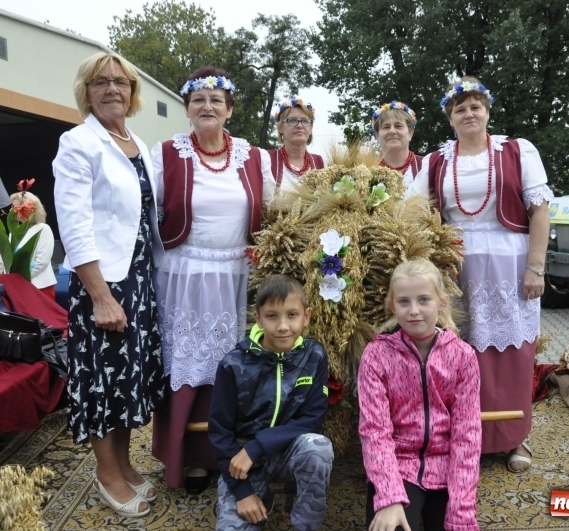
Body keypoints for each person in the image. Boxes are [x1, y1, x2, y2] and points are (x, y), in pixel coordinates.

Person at [410, 76, 553, 473]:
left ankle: (514, 437)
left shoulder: (517, 150)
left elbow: (540, 211)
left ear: (487, 111)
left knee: (511, 354)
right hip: (455, 268)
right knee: (458, 352)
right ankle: (461, 436)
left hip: (510, 264)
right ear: (450, 118)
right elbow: (413, 213)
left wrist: (536, 267)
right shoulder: (436, 161)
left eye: (476, 106)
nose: (469, 113)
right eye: (460, 109)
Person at [151, 66, 276, 494]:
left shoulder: (254, 157)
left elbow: (275, 213)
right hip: (184, 276)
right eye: (198, 100)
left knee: (232, 368)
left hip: (238, 276)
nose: (207, 106)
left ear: (230, 110)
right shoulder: (166, 154)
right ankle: (186, 458)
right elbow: (146, 214)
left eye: (216, 100)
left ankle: (230, 455)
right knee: (189, 366)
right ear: (187, 108)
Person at [52, 51, 166, 518]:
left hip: (138, 278)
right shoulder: (78, 143)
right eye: (100, 82)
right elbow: (74, 225)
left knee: (129, 377)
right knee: (103, 380)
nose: (112, 89)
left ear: (132, 92)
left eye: (121, 82)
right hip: (102, 284)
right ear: (87, 92)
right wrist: (100, 296)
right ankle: (106, 472)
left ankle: (124, 462)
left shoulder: (136, 141)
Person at [358, 258, 481, 531]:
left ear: (442, 302)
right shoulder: (376, 356)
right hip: (398, 467)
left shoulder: (463, 357)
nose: (414, 310)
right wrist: (389, 497)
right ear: (392, 306)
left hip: (447, 468)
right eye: (404, 302)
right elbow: (374, 430)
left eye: (424, 300)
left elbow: (467, 435)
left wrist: (461, 509)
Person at [209, 274, 333, 529]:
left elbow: (312, 419)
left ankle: (306, 525)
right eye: (272, 316)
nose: (283, 326)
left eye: (292, 315)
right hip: (242, 462)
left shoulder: (314, 356)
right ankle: (252, 495)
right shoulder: (234, 364)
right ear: (258, 318)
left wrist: (258, 446)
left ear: (306, 316)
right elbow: (220, 431)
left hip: (288, 451)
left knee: (318, 448)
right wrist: (242, 491)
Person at [268, 96, 325, 192]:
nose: (299, 125)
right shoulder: (267, 160)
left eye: (305, 121)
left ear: (311, 128)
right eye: (292, 120)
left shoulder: (321, 163)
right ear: (280, 127)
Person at [9, 190, 58, 299]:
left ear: (28, 208)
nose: (12, 210)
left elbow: (42, 261)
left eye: (15, 206)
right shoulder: (14, 232)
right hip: (19, 287)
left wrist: (21, 277)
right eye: (12, 206)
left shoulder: (43, 229)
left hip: (40, 287)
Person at [371, 101, 423, 189]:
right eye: (386, 127)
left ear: (410, 133)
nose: (392, 131)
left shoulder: (426, 166)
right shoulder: (367, 170)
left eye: (398, 126)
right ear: (377, 135)